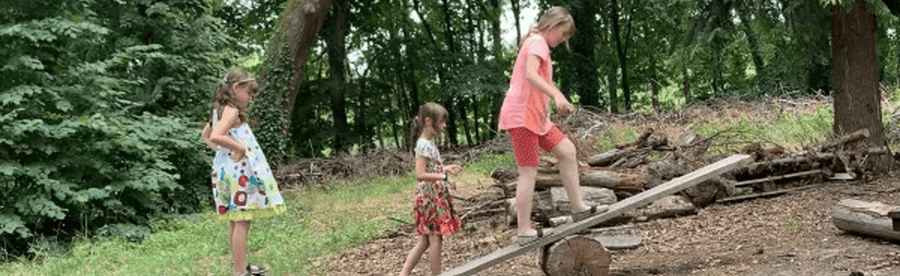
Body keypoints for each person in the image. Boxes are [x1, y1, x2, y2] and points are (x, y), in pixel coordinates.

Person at [498, 6, 607, 245]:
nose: (564, 40)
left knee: (567, 151)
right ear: (553, 26)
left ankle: (578, 207)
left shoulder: (538, 43)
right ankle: (524, 230)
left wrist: (552, 100)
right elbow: (531, 75)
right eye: (564, 33)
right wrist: (557, 95)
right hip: (522, 116)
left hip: (537, 118)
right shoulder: (537, 42)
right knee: (528, 171)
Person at [201, 69, 286, 276]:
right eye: (248, 93)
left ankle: (240, 267)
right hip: (238, 173)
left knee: (235, 220)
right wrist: (239, 148)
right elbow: (218, 135)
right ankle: (241, 273)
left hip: (226, 171)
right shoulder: (231, 110)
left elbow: (207, 136)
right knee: (242, 221)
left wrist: (223, 152)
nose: (249, 99)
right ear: (236, 87)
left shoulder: (218, 110)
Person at [399, 102, 463, 276]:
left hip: (432, 195)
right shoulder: (422, 144)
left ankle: (403, 274)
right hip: (429, 198)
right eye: (442, 122)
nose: (444, 126)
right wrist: (444, 177)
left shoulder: (428, 142)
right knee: (435, 238)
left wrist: (445, 168)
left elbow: (431, 169)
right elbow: (420, 174)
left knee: (425, 241)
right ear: (428, 121)